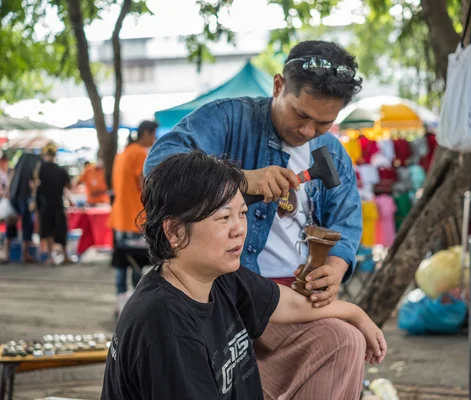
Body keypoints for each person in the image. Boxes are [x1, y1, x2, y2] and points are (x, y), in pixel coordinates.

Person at [144, 41, 366, 398]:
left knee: (344, 342)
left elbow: (347, 220)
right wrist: (241, 180)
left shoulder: (333, 154)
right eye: (301, 115)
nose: (308, 131)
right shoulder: (229, 119)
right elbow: (161, 166)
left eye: (324, 123)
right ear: (278, 86)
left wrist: (337, 265)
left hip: (295, 299)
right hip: (231, 292)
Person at [101, 151, 386, 400]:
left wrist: (355, 313)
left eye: (242, 213)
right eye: (223, 218)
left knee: (341, 338)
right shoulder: (166, 325)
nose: (239, 228)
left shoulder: (219, 276)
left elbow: (288, 304)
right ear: (174, 232)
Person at [109, 120, 157, 314]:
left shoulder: (123, 153)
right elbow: (144, 184)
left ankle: (120, 299)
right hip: (134, 217)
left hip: (119, 215)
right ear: (145, 133)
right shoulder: (138, 153)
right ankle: (135, 303)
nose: (154, 139)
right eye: (153, 134)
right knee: (138, 261)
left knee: (122, 261)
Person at [36, 142, 71, 264]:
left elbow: (36, 186)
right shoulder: (60, 170)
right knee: (61, 229)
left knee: (48, 230)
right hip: (58, 202)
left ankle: (52, 258)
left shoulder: (41, 169)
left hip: (46, 203)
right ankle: (65, 256)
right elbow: (68, 186)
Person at [4, 151, 42, 263]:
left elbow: (12, 174)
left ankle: (7, 254)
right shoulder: (37, 160)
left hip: (14, 194)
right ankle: (25, 254)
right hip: (24, 197)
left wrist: (8, 191)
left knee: (11, 223)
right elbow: (35, 180)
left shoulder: (22, 157)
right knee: (27, 224)